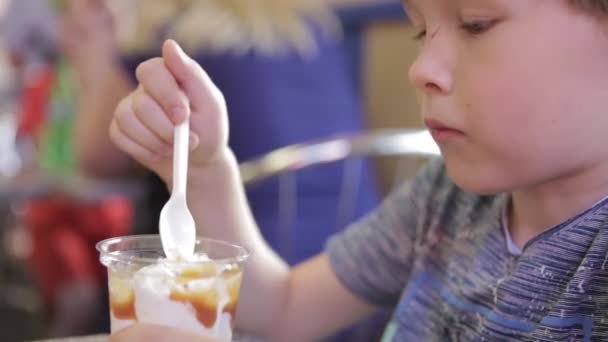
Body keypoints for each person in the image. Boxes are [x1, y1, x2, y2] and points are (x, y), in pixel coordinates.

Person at [112, 0, 608, 340]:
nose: (422, 68)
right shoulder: (445, 201)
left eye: (475, 22)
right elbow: (285, 309)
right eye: (420, 29)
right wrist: (203, 167)